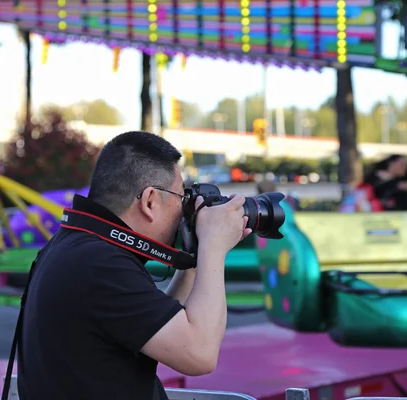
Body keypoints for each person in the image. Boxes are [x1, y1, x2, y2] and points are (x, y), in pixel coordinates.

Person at [17, 131, 252, 400]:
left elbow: (159, 328)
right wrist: (214, 246)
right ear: (150, 201)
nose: (183, 210)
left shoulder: (75, 247)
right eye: (180, 197)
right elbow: (199, 353)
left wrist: (195, 257)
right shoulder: (101, 265)